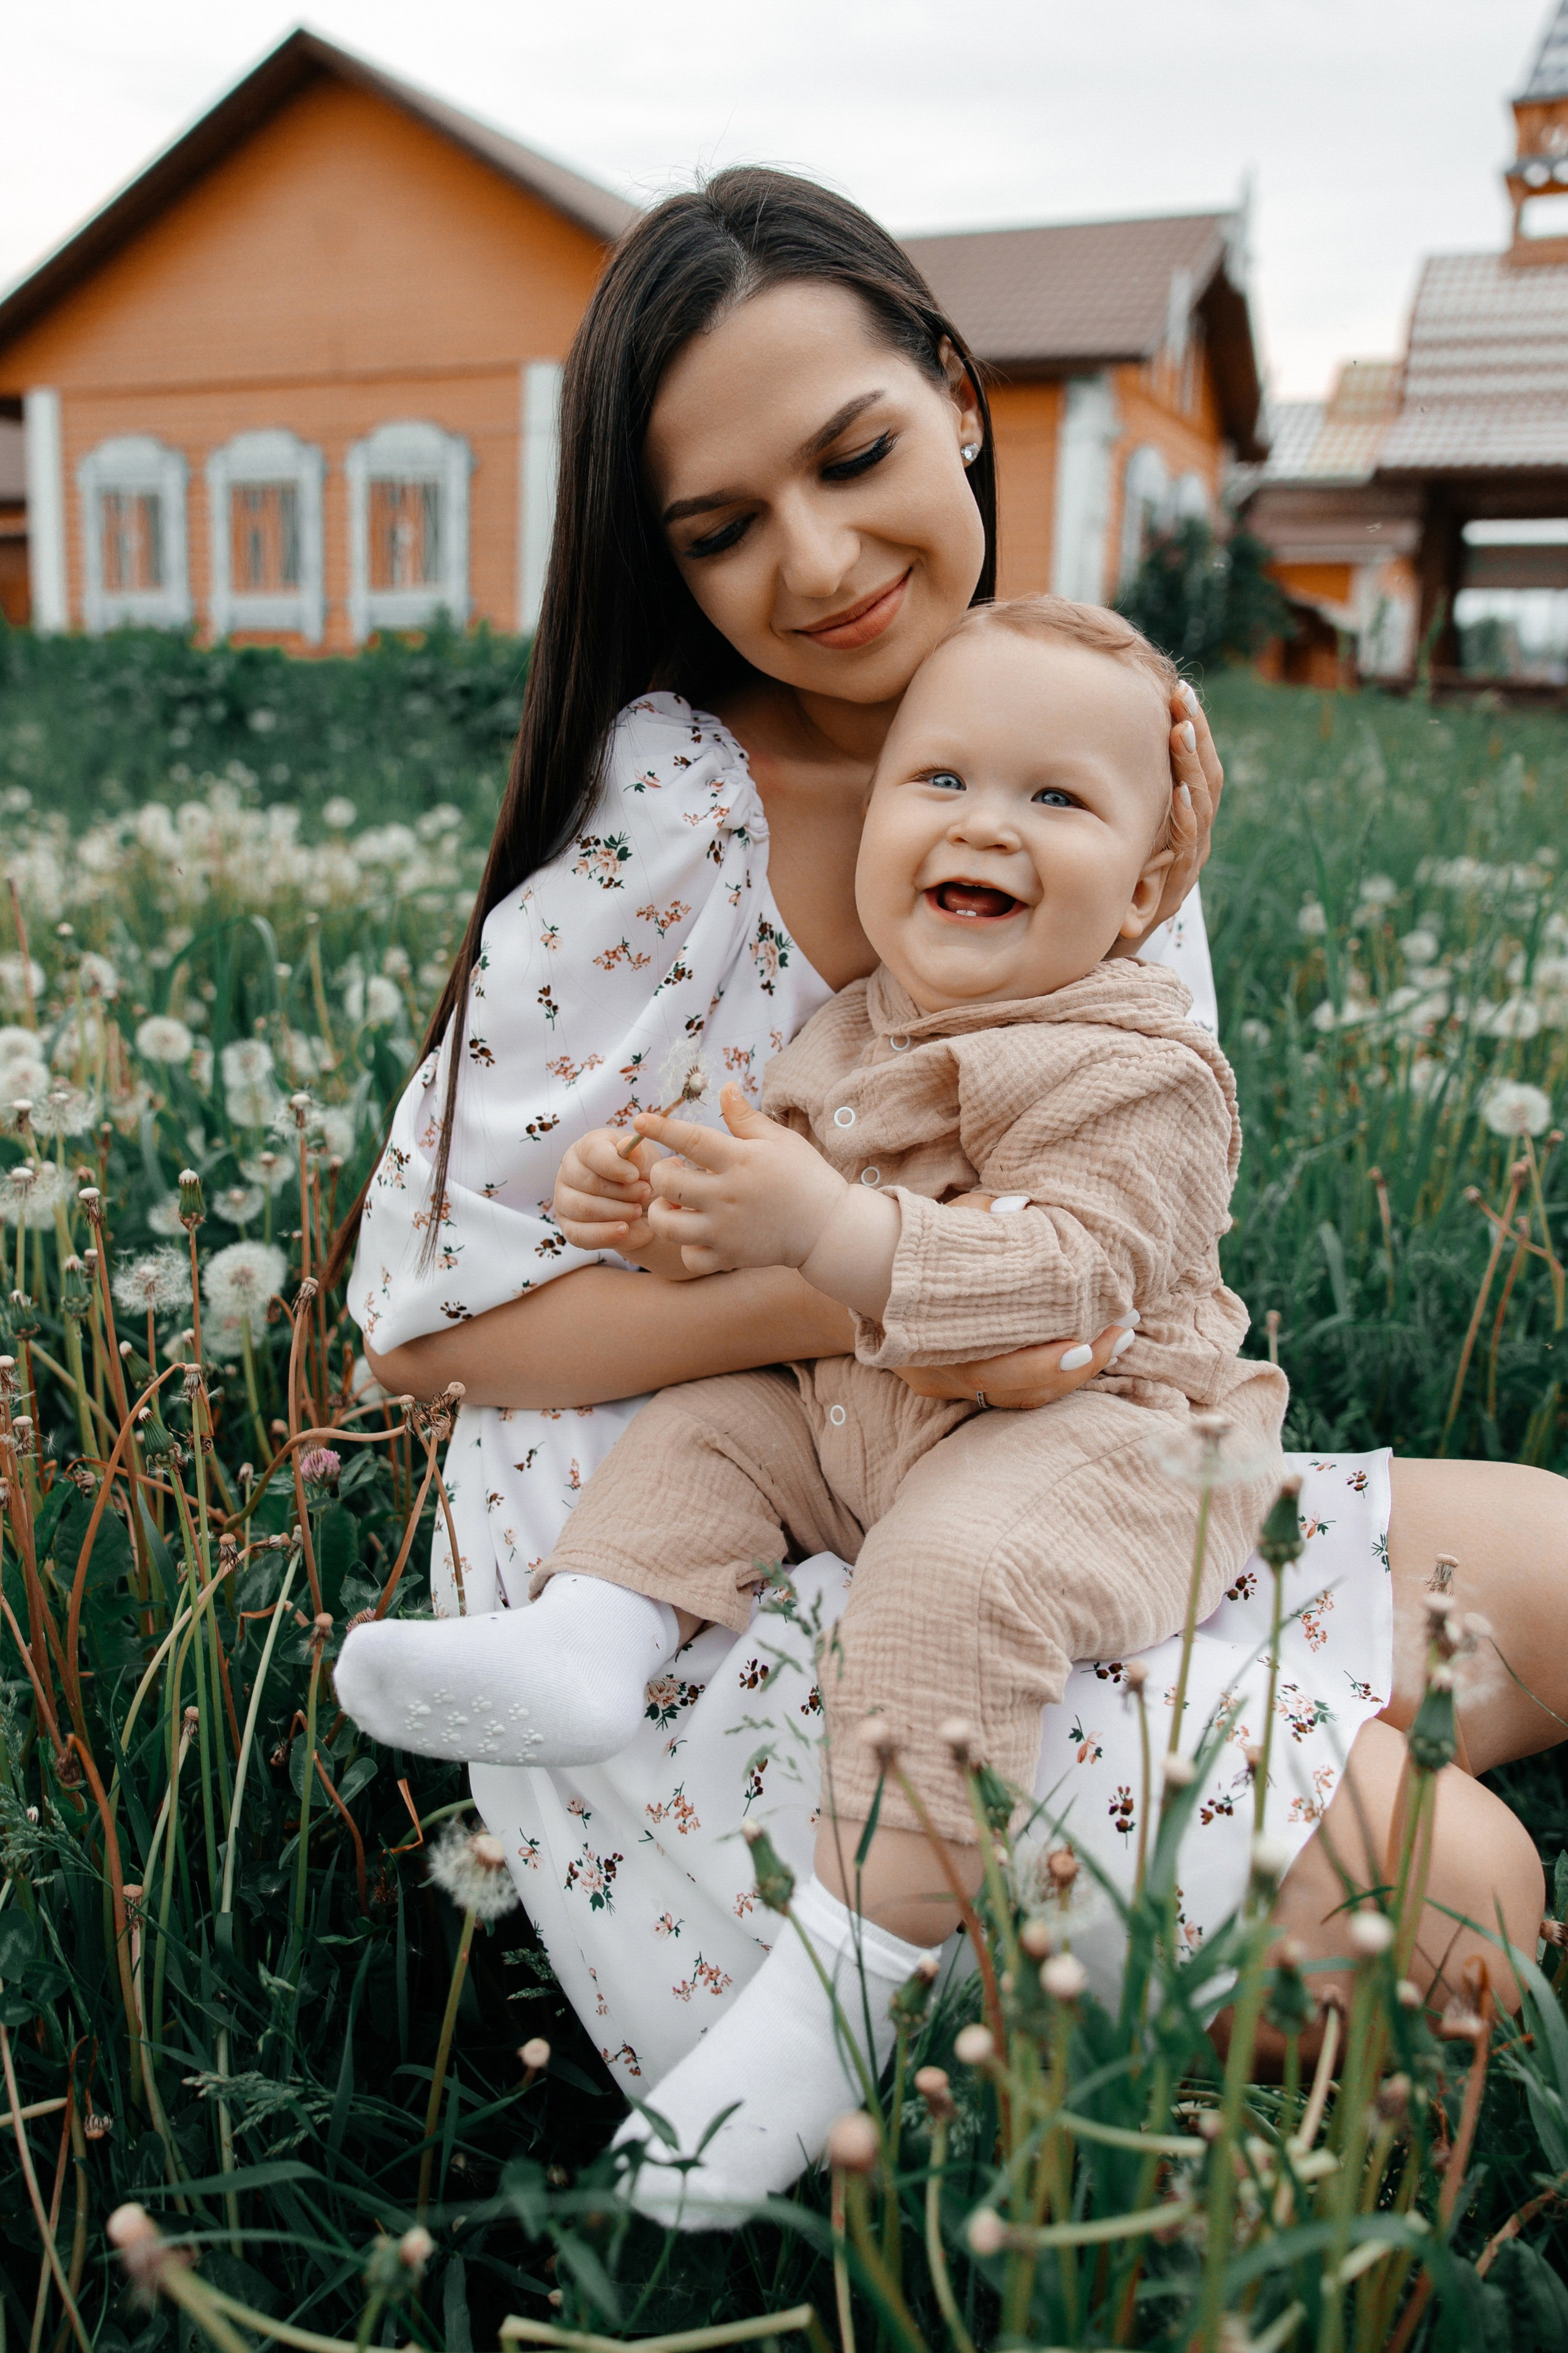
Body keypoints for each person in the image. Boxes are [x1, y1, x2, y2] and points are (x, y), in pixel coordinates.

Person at [334, 165, 1559, 2186]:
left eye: (855, 454)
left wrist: (975, 1291)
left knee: (1554, 1563)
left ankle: (1229, 1779)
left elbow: (1125, 1223)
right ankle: (902, 1972)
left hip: (1057, 1434)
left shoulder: (1081, 744)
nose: (815, 563)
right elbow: (424, 1341)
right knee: (1467, 1903)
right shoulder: (667, 831)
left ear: (961, 391)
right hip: (725, 1530)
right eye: (720, 530)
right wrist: (854, 1271)